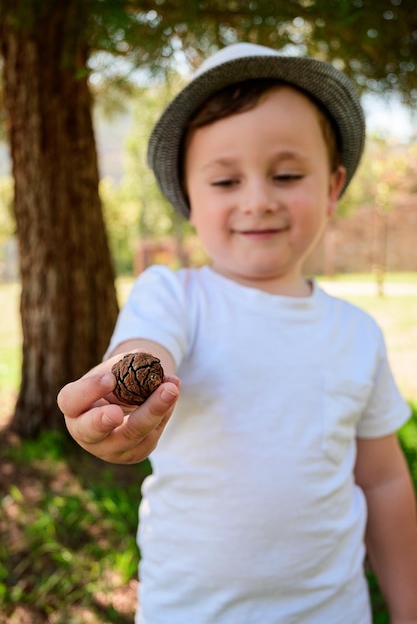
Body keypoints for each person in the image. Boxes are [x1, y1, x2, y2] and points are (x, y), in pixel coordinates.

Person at [57, 42, 417, 624]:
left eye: (287, 174)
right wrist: (122, 393)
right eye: (225, 181)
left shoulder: (358, 334)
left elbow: (383, 481)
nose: (258, 200)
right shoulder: (174, 296)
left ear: (332, 186)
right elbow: (146, 345)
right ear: (189, 200)